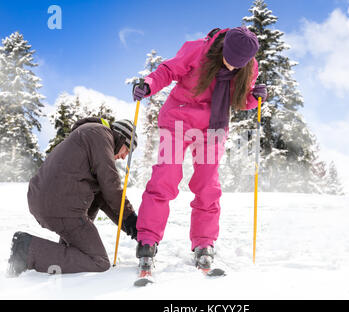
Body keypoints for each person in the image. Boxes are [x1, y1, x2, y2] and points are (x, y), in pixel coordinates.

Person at [132, 27, 268, 271]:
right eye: (229, 61)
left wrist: (256, 97)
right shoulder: (197, 50)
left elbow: (243, 98)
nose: (231, 68)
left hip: (213, 126)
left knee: (207, 185)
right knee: (166, 177)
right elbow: (168, 70)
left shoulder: (248, 66)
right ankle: (148, 240)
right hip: (178, 118)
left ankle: (204, 243)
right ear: (223, 48)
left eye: (238, 65)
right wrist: (149, 84)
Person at [7, 117, 139, 276]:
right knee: (99, 261)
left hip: (49, 200)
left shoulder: (89, 135)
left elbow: (104, 198)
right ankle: (27, 250)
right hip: (61, 204)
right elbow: (110, 183)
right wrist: (130, 217)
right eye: (128, 150)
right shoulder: (101, 135)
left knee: (80, 245)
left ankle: (46, 254)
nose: (124, 157)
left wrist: (131, 226)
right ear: (122, 137)